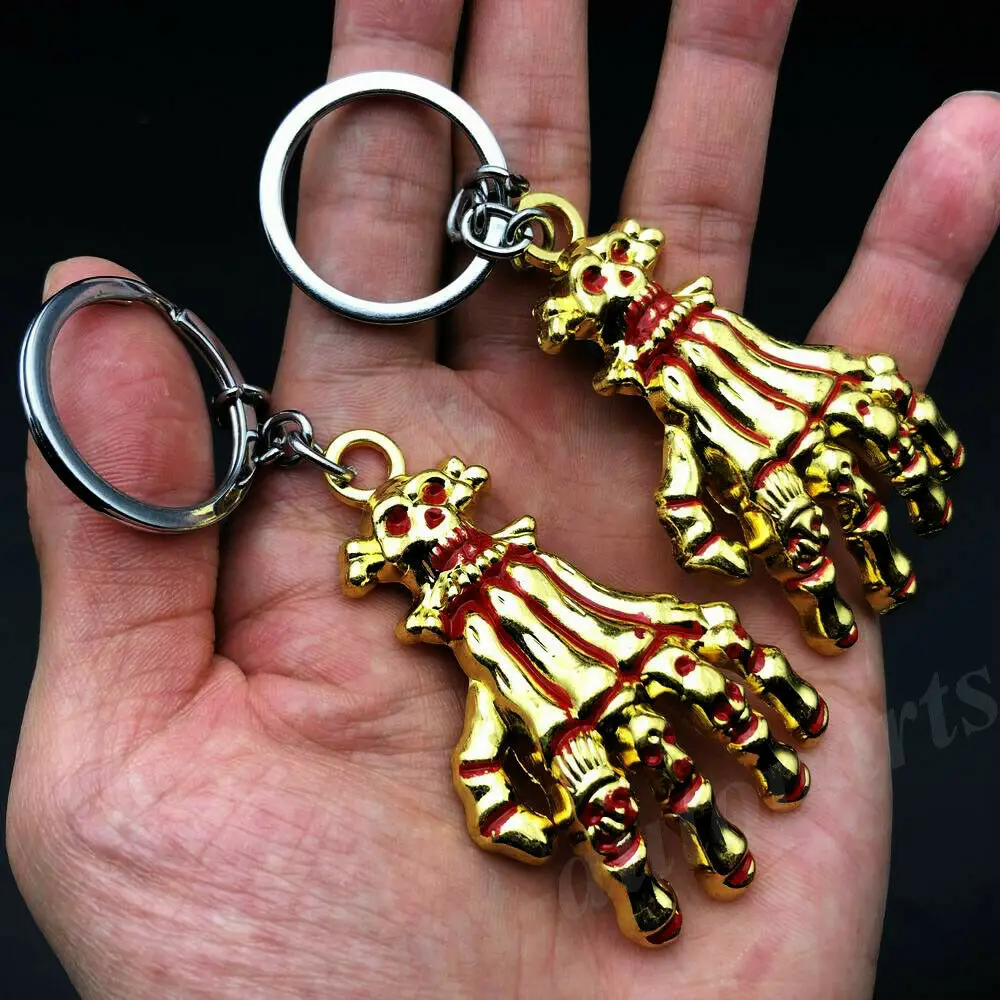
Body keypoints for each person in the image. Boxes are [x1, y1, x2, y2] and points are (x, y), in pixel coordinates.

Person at [7, 1, 1000, 996]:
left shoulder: (627, 380)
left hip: (597, 587)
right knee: (665, 673)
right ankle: (698, 809)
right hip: (539, 661)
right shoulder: (468, 576)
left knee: (717, 587)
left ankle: (789, 665)